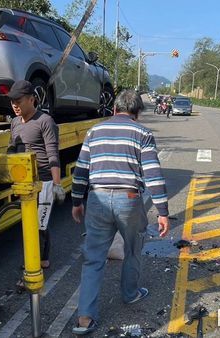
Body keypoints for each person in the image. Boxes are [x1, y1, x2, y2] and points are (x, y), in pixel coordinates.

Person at [70, 89, 170, 335]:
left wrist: (76, 201)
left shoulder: (94, 131)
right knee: (133, 248)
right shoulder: (142, 133)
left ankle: (84, 318)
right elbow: (153, 173)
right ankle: (131, 294)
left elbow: (81, 169)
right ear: (137, 113)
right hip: (129, 198)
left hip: (96, 198)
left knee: (93, 258)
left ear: (114, 109)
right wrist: (162, 211)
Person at [7, 80, 65, 269]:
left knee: (40, 222)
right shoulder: (15, 123)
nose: (15, 105)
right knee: (28, 222)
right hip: (24, 182)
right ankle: (36, 257)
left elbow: (52, 153)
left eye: (19, 101)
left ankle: (39, 261)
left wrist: (57, 184)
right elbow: (12, 151)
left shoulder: (45, 121)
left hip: (44, 181)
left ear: (32, 99)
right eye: (12, 101)